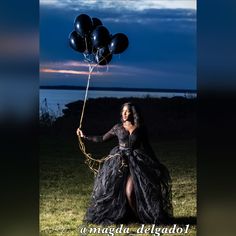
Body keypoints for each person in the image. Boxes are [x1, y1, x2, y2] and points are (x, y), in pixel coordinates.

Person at [76, 102, 173, 225]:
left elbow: (147, 147)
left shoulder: (140, 128)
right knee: (115, 192)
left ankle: (141, 218)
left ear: (133, 113)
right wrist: (84, 136)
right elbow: (101, 138)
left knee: (130, 191)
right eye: (123, 111)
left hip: (136, 162)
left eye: (127, 111)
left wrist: (156, 164)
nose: (124, 114)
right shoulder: (117, 127)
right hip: (119, 162)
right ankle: (128, 217)